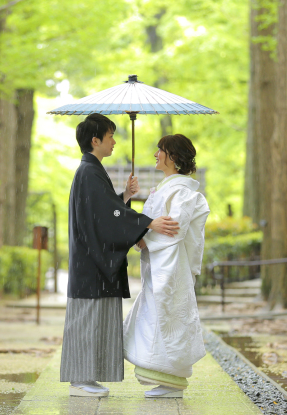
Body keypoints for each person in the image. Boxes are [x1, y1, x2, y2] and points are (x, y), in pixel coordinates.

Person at [60, 113, 181, 398]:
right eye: (111, 136)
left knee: (94, 319)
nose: (114, 142)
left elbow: (106, 210)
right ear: (95, 140)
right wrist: (147, 222)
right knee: (87, 319)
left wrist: (125, 195)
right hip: (91, 261)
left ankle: (86, 376)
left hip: (92, 259)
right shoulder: (89, 171)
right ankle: (79, 379)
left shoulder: (92, 170)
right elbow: (106, 215)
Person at [123, 134, 210, 399]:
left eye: (160, 150)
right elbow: (155, 224)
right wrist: (141, 234)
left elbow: (174, 228)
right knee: (156, 316)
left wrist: (144, 237)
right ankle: (165, 380)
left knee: (170, 317)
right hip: (159, 265)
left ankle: (172, 382)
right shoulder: (167, 188)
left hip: (172, 267)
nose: (155, 155)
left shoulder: (182, 192)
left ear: (173, 156)